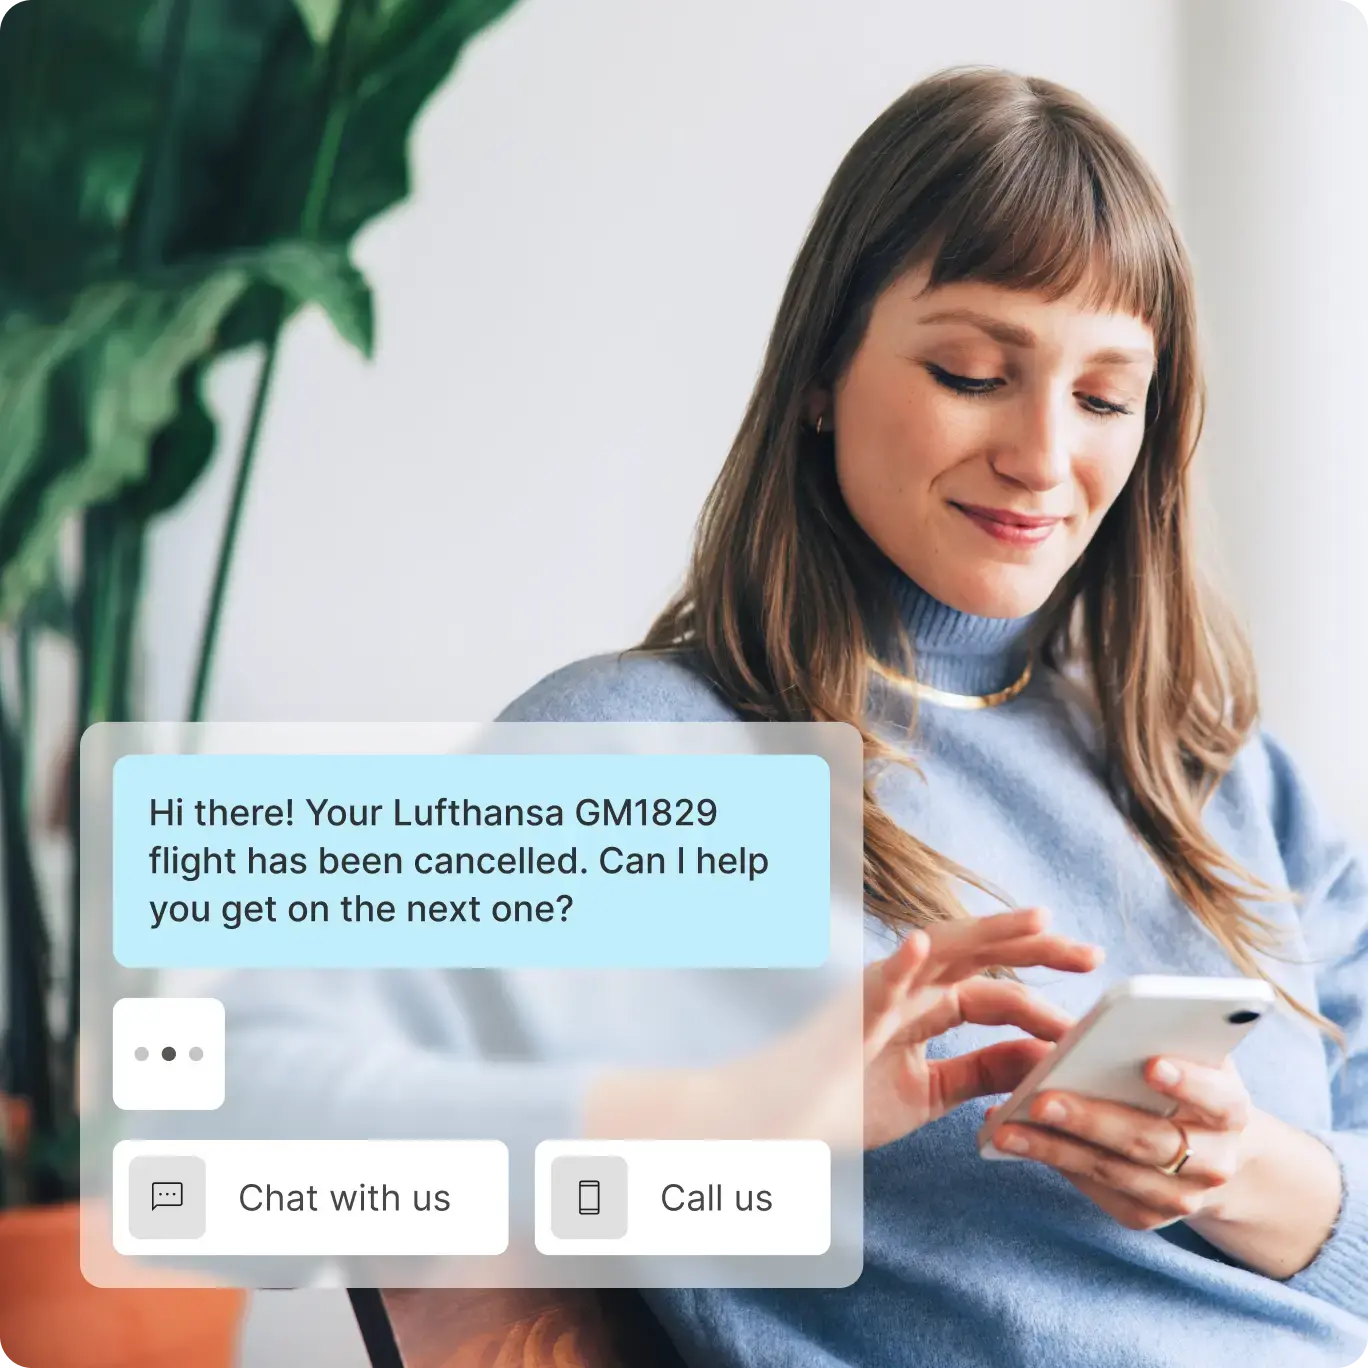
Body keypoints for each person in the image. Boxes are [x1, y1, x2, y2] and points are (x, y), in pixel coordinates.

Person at [210, 66, 1366, 1364]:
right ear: (823, 372)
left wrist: (1256, 1174)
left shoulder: (1219, 780)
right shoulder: (642, 755)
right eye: (975, 372)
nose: (1045, 455)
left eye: (1104, 397)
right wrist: (729, 1120)